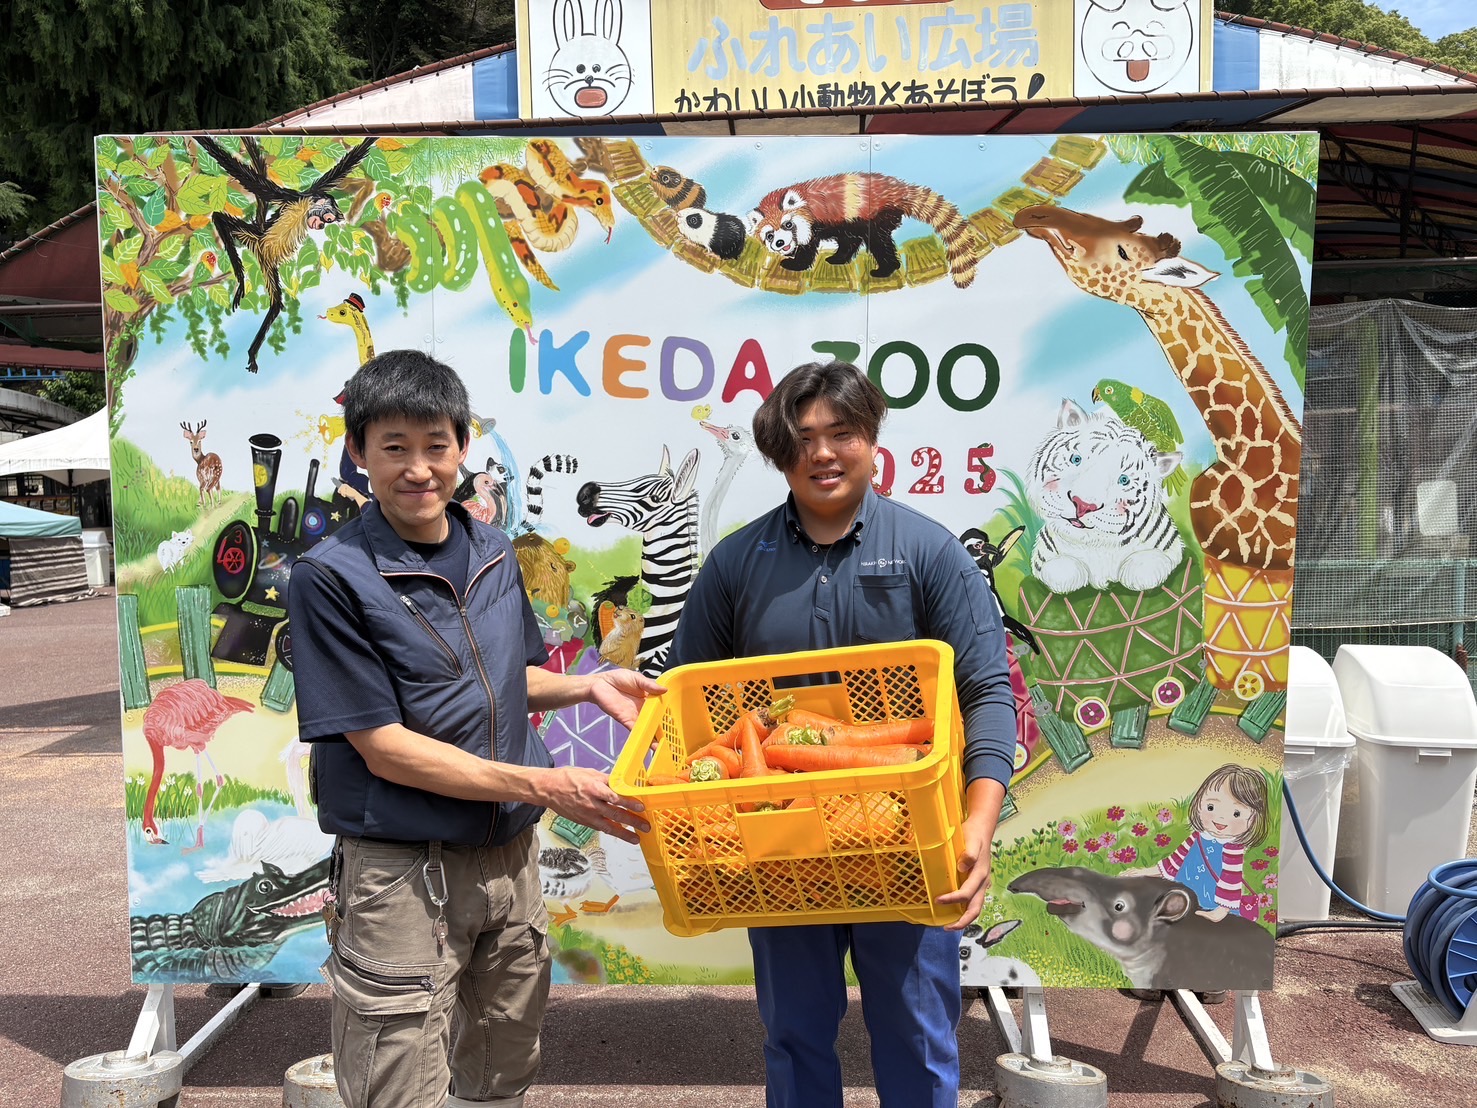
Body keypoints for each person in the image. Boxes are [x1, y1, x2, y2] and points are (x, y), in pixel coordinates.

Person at [288, 349, 661, 1108]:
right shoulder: (332, 577)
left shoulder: (492, 551)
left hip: (509, 860)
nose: (418, 469)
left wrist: (586, 684)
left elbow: (509, 674)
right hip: (401, 872)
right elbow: (382, 747)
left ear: (462, 447)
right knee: (397, 1088)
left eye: (436, 446)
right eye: (393, 448)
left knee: (501, 1068)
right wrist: (545, 784)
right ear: (358, 454)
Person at [666, 360, 1017, 1108]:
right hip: (780, 845)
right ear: (776, 450)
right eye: (802, 438)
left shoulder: (930, 553)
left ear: (871, 440)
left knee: (917, 1031)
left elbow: (985, 693)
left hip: (907, 838)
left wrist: (978, 825)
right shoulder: (734, 564)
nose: (822, 452)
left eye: (842, 433)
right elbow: (685, 704)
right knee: (793, 1033)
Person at [1129, 762, 1270, 922]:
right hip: (1183, 898)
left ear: (1254, 819)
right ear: (1198, 804)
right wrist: (1145, 871)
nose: (1221, 818)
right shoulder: (1197, 837)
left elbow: (1231, 882)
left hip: (1211, 905)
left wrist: (1220, 912)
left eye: (1236, 813)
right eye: (1211, 807)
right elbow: (1175, 862)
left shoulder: (1232, 849)